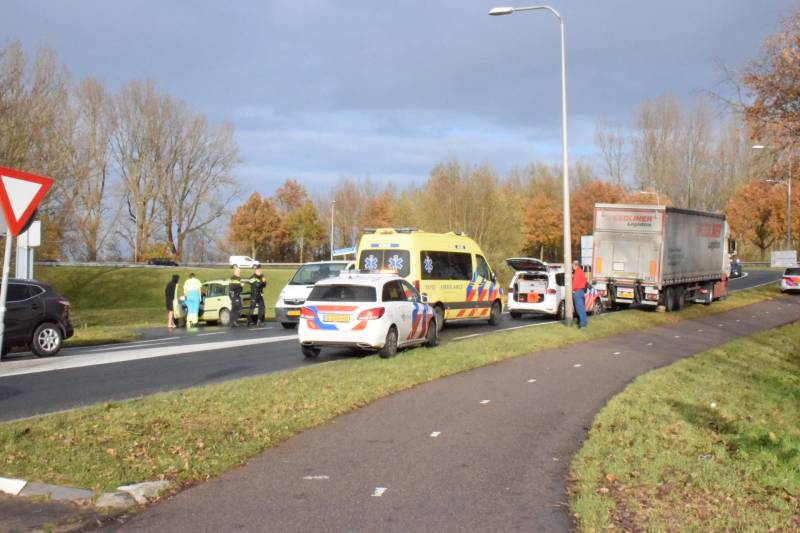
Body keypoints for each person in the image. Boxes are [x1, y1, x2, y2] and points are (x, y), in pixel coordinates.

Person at [572, 260, 588, 329]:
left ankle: (582, 325)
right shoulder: (581, 271)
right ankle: (583, 322)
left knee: (579, 309)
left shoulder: (577, 272)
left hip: (578, 292)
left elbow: (575, 283)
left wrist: (572, 289)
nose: (572, 267)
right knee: (581, 308)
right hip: (581, 291)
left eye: (572, 265)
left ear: (575, 265)